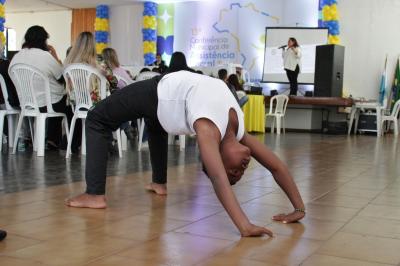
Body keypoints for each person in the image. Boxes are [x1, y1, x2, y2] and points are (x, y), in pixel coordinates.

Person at [65, 70, 306, 237]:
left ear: (218, 155)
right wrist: (297, 209)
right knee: (128, 120)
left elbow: (218, 177)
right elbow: (276, 166)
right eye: (238, 172)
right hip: (164, 96)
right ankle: (129, 188)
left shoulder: (208, 130)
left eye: (235, 171)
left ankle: (105, 193)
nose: (243, 167)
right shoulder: (238, 130)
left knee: (103, 118)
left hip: (160, 95)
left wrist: (249, 224)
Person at [9, 25, 67, 150]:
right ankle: (54, 139)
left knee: (55, 98)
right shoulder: (46, 56)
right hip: (47, 104)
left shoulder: (16, 57)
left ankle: (38, 137)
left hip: (25, 103)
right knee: (65, 100)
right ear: (44, 40)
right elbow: (62, 78)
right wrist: (55, 55)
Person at [101, 47, 135, 140]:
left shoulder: (107, 72)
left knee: (111, 103)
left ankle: (111, 138)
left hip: (121, 102)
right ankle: (126, 128)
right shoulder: (121, 69)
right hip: (127, 100)